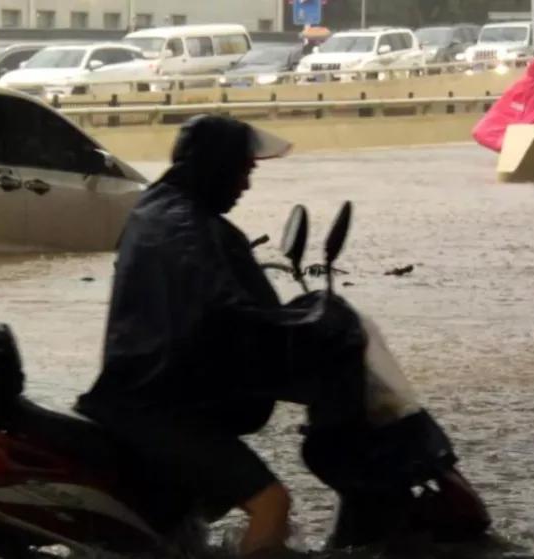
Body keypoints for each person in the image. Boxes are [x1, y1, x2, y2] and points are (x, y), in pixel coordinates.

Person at [75, 115, 347, 556]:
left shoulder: (161, 208)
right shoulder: (185, 227)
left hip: (148, 394)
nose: (246, 184)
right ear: (217, 166)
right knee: (271, 504)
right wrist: (305, 330)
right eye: (243, 170)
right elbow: (225, 308)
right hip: (157, 407)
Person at [472, 58, 534, 152]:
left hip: (515, 121)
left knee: (486, 133)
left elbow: (504, 105)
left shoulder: (519, 84)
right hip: (529, 124)